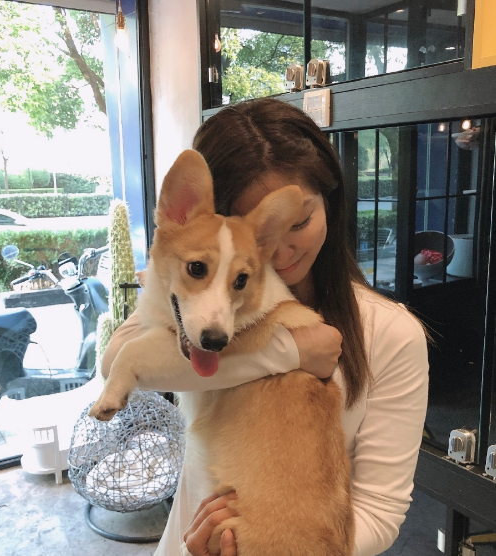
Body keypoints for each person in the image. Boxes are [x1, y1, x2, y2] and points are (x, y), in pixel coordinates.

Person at [101, 98, 429, 556]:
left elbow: (380, 512)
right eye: (244, 226)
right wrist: (288, 352)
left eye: (298, 221)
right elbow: (117, 364)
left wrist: (261, 543)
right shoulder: (199, 304)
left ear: (331, 205)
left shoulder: (390, 333)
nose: (276, 250)